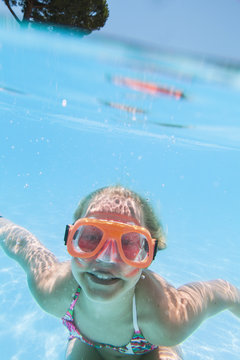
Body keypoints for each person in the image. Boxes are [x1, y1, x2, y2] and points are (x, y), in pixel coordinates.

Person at [0, 185, 240, 360]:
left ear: (149, 256)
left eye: (129, 245)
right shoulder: (52, 290)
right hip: (88, 344)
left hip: (151, 349)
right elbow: (21, 245)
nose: (106, 259)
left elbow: (220, 292)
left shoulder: (167, 318)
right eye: (91, 238)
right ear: (71, 239)